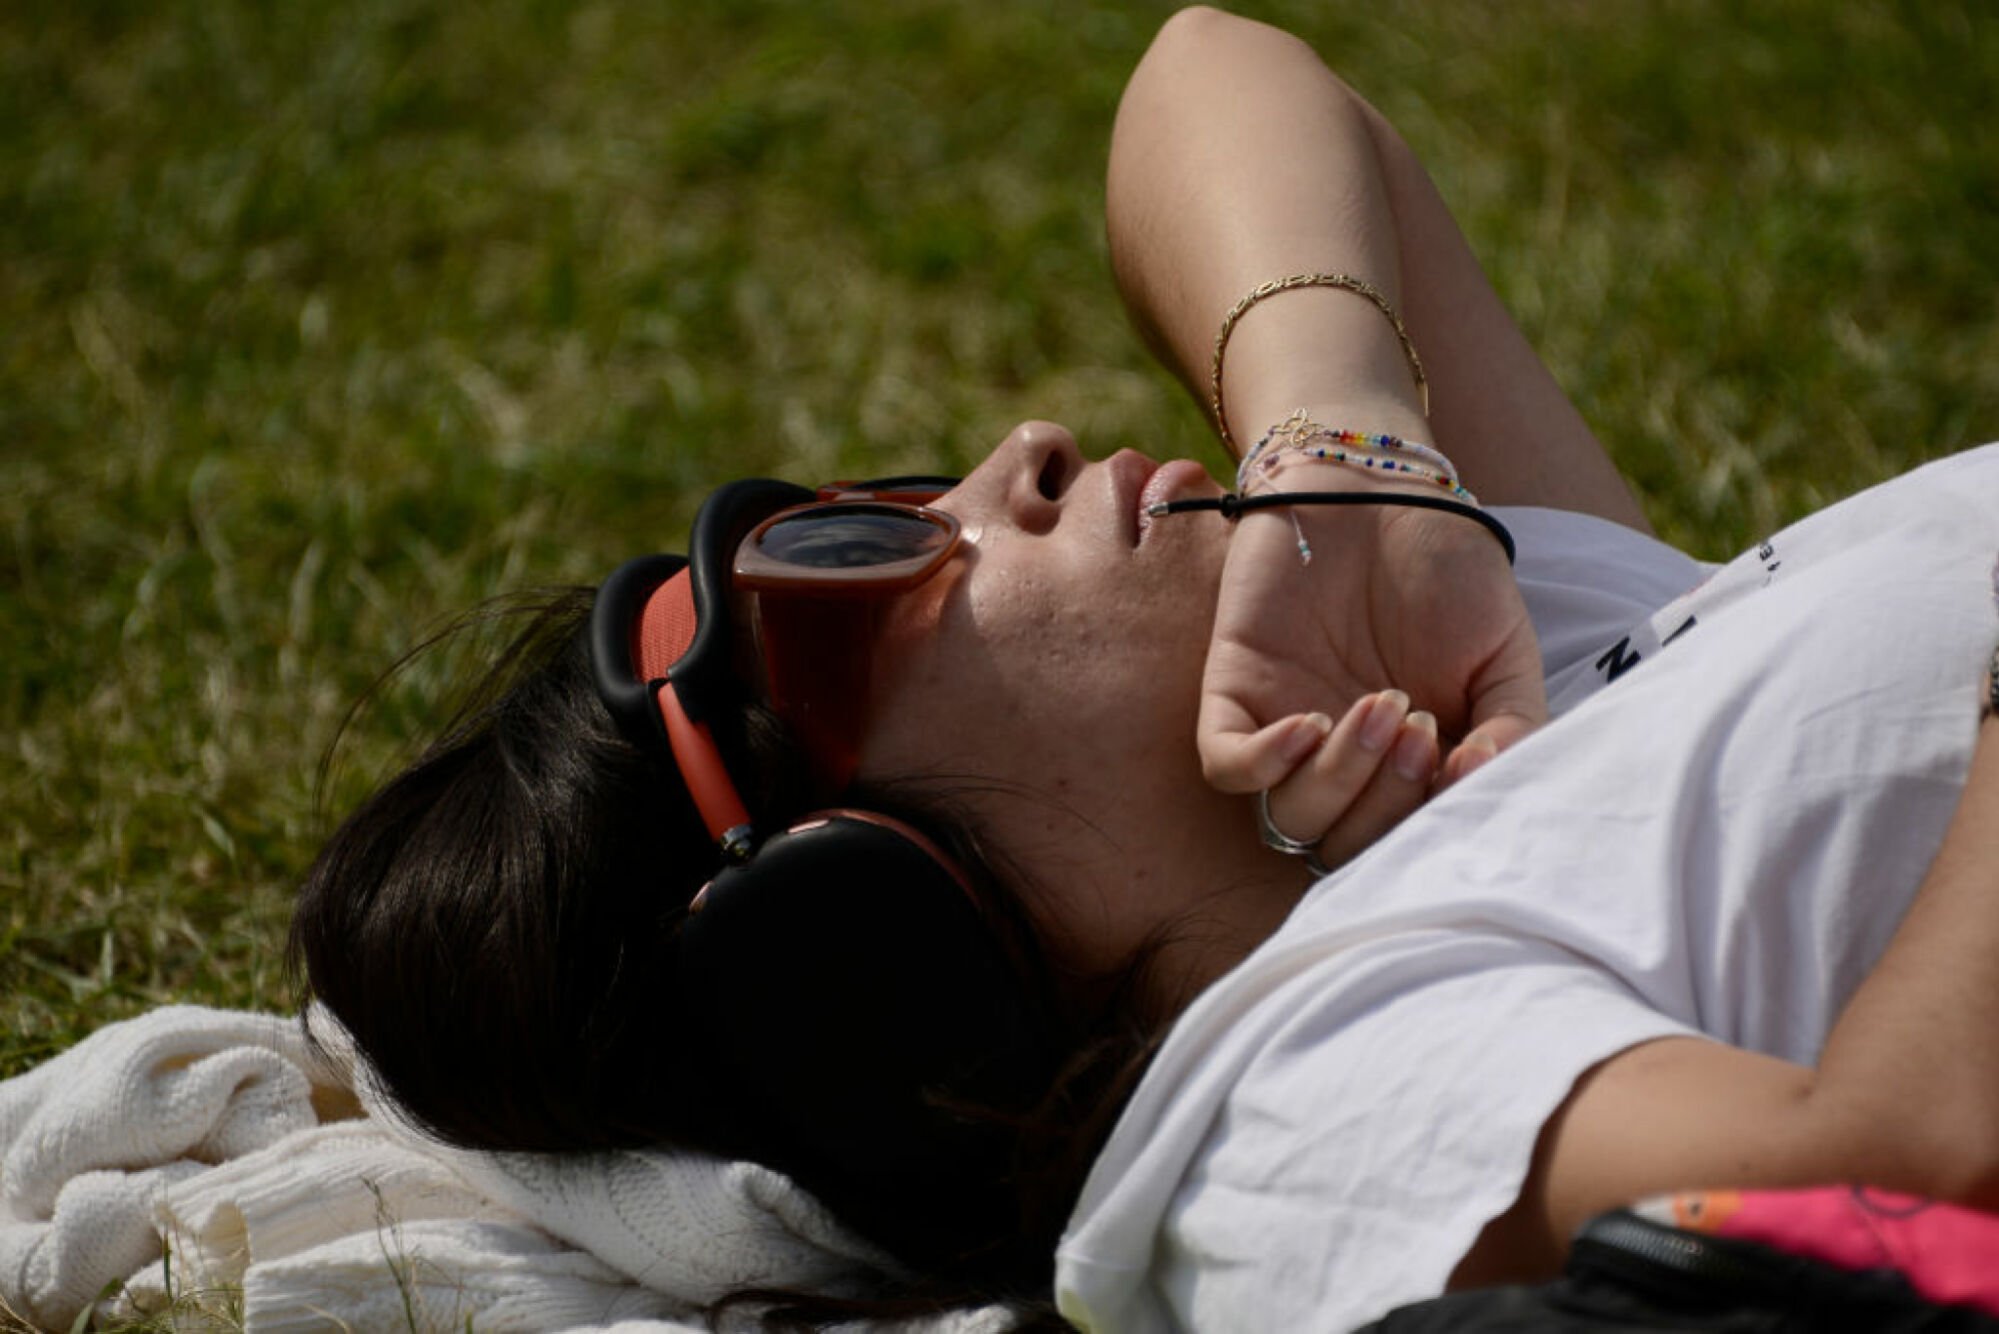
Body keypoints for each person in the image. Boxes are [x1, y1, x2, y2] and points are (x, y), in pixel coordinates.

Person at [289, 6, 1999, 1330]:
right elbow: (1877, 1200)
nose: (1009, 457)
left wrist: (1350, 434)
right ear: (871, 946)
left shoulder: (1459, 665)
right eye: (843, 579)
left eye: (873, 503)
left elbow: (1216, 68)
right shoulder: (1305, 1076)